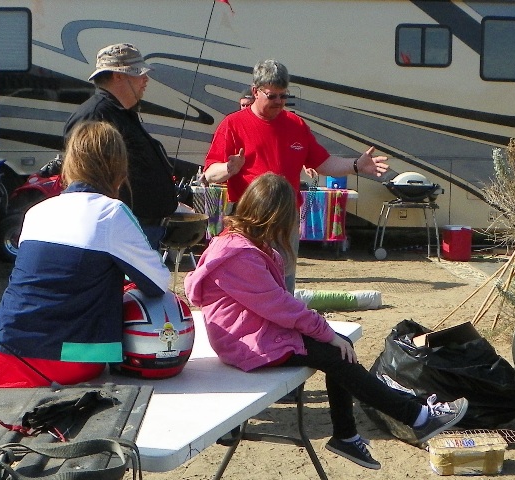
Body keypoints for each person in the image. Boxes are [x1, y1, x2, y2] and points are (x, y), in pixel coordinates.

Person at [184, 173, 468, 470]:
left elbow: (277, 306)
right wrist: (325, 331)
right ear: (274, 216)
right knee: (336, 351)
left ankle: (352, 434)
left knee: (340, 348)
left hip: (252, 332)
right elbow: (279, 306)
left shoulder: (246, 244)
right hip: (245, 342)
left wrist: (326, 332)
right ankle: (416, 417)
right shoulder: (238, 255)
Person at [0, 121, 171, 388]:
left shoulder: (37, 211)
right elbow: (158, 284)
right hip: (64, 361)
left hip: (2, 351)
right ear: (119, 169)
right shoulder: (111, 213)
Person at [203, 59, 389, 292]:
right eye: (272, 96)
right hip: (247, 219)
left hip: (285, 220)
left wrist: (356, 165)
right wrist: (229, 169)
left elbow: (323, 163)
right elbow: (210, 173)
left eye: (283, 96)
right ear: (255, 91)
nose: (279, 102)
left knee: (283, 284)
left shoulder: (296, 125)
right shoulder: (233, 124)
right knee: (247, 285)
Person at [64, 43, 178, 250]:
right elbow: (86, 181)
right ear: (118, 75)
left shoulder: (121, 113)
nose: (146, 79)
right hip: (120, 230)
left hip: (139, 228)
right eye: (139, 72)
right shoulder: (95, 116)